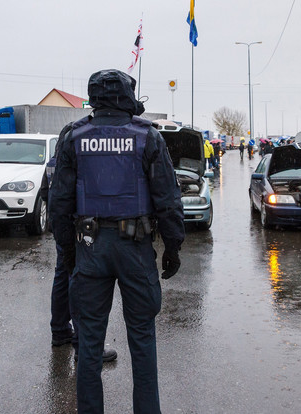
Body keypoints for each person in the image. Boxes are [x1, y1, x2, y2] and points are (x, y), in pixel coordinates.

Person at [49, 69, 185, 414]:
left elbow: (59, 203)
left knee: (90, 345)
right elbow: (167, 197)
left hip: (89, 247)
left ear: (94, 97)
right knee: (142, 340)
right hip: (135, 248)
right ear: (127, 96)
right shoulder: (147, 136)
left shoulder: (73, 136)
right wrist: (172, 246)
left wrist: (67, 252)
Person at [39, 125, 117, 363]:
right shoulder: (79, 161)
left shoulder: (51, 163)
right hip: (78, 229)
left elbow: (45, 194)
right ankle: (83, 343)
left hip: (59, 228)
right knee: (79, 282)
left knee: (61, 276)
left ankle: (60, 331)